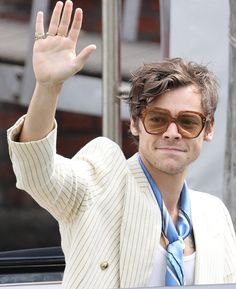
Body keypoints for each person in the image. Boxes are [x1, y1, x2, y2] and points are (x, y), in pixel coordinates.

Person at [7, 1, 236, 288]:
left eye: (188, 122)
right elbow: (37, 173)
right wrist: (48, 87)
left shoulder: (214, 214)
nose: (173, 133)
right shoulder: (100, 183)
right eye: (157, 119)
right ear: (136, 123)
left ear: (208, 129)